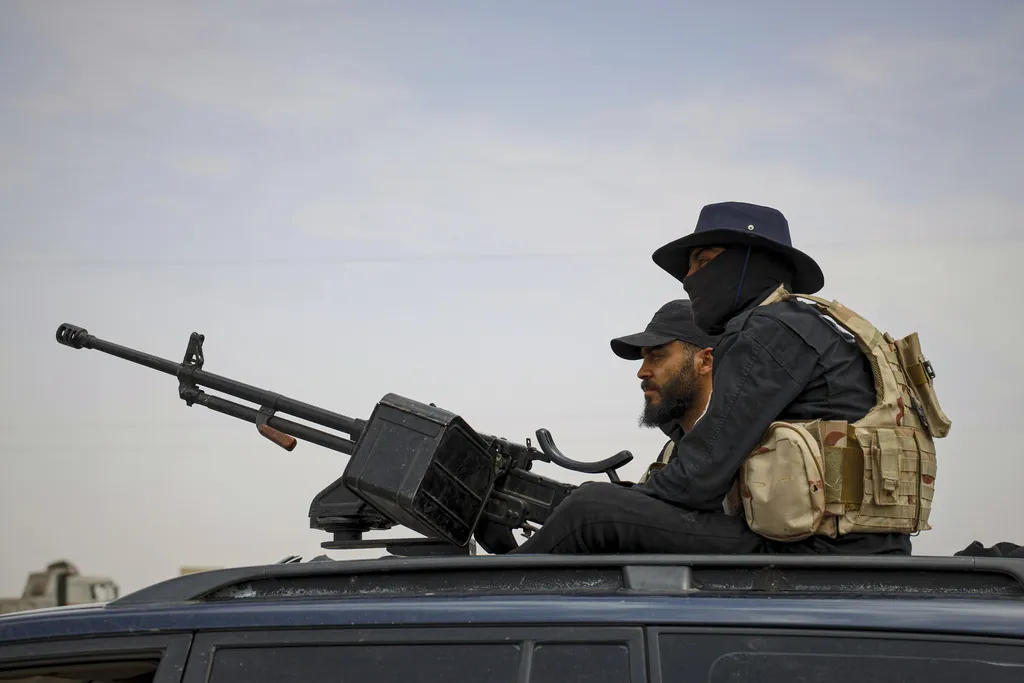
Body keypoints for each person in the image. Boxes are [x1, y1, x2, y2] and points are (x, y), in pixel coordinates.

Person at [513, 201, 948, 556]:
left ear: (749, 262)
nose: (689, 280)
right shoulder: (820, 327)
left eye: (703, 261)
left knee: (592, 510)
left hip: (813, 554)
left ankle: (485, 591)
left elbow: (696, 480)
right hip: (865, 548)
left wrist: (613, 506)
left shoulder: (770, 329)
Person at [606, 299, 720, 485]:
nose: (642, 372)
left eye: (657, 356)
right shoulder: (671, 452)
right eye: (644, 358)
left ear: (705, 362)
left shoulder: (751, 441)